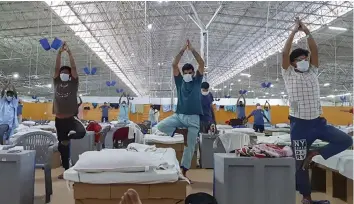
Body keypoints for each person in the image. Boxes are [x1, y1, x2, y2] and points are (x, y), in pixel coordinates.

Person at [282, 18, 352, 204]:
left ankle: (315, 154)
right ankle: (307, 198)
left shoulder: (313, 71)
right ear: (293, 63)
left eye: (305, 58)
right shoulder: (288, 74)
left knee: (346, 139)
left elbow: (314, 50)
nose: (304, 61)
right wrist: (292, 33)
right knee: (300, 164)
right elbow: (284, 53)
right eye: (299, 59)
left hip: (318, 123)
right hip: (299, 127)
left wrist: (306, 31)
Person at [157, 40, 204, 178]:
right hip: (179, 116)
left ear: (193, 73)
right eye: (186, 72)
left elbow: (201, 64)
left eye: (190, 72)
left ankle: (184, 171)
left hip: (194, 119)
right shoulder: (179, 82)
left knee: (190, 148)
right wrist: (183, 50)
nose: (188, 74)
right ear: (183, 73)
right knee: (160, 126)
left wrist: (193, 50)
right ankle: (180, 132)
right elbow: (174, 64)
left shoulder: (197, 81)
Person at [53, 42, 86, 179]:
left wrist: (70, 53)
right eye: (62, 72)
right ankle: (66, 171)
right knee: (63, 149)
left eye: (67, 72)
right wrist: (59, 53)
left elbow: (73, 67)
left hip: (70, 120)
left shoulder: (73, 84)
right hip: (59, 121)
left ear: (70, 75)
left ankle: (67, 138)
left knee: (82, 132)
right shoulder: (56, 82)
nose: (64, 74)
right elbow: (56, 67)